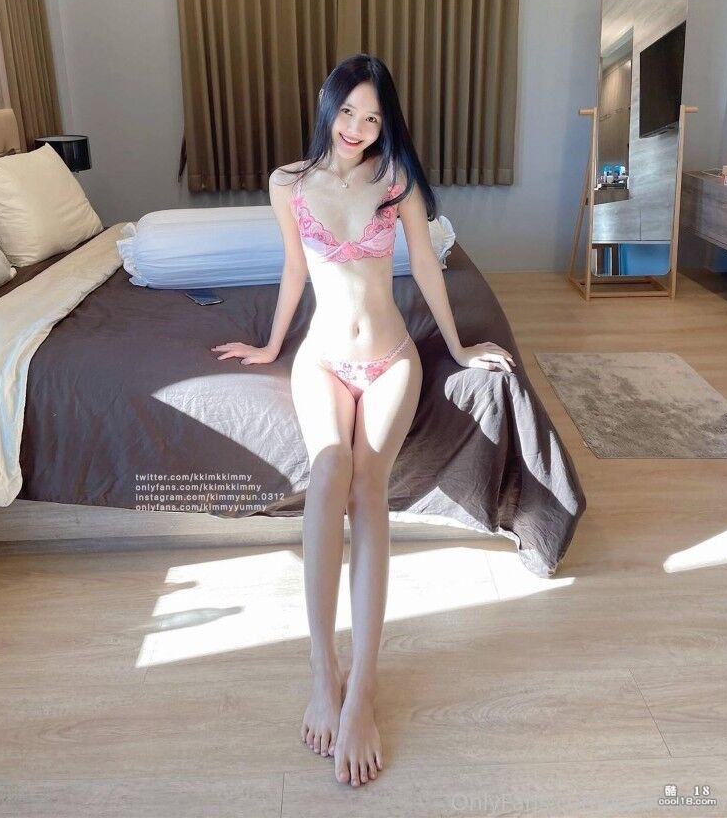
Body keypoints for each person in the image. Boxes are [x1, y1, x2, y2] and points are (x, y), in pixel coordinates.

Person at [211, 54, 516, 788]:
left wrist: (460, 347)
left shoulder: (396, 179)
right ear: (328, 107)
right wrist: (270, 346)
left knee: (366, 486)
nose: (357, 128)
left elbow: (428, 267)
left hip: (391, 360)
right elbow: (294, 270)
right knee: (329, 472)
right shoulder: (288, 184)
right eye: (348, 111)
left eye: (373, 117)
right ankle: (324, 673)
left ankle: (364, 690)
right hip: (321, 360)